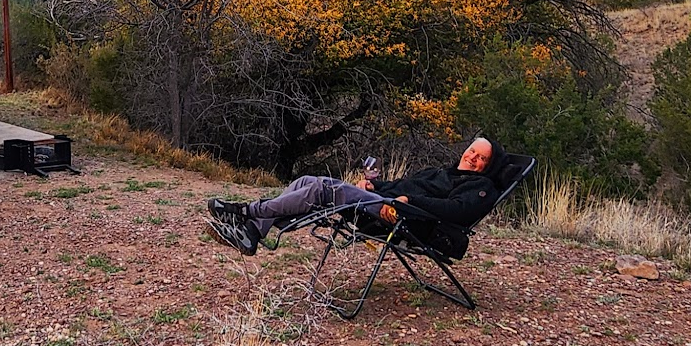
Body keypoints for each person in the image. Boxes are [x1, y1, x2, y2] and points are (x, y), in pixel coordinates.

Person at [206, 137, 501, 256]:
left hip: (408, 220)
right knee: (307, 181)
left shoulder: (481, 185)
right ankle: (253, 231)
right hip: (387, 204)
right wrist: (375, 187)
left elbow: (457, 210)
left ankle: (246, 213)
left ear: (488, 166)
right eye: (472, 151)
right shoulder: (439, 172)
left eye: (481, 158)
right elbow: (400, 185)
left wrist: (411, 204)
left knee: (323, 190)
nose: (473, 158)